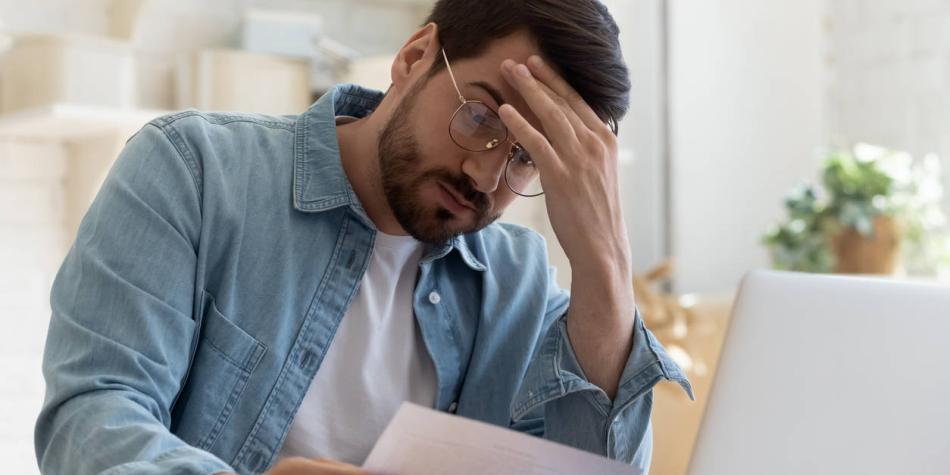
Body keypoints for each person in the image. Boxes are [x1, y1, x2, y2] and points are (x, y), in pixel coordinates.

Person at [34, 0, 692, 474]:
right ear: (413, 58)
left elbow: (588, 468)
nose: (485, 172)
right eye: (480, 115)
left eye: (526, 157)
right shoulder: (196, 172)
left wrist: (605, 261)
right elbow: (90, 417)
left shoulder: (517, 281)